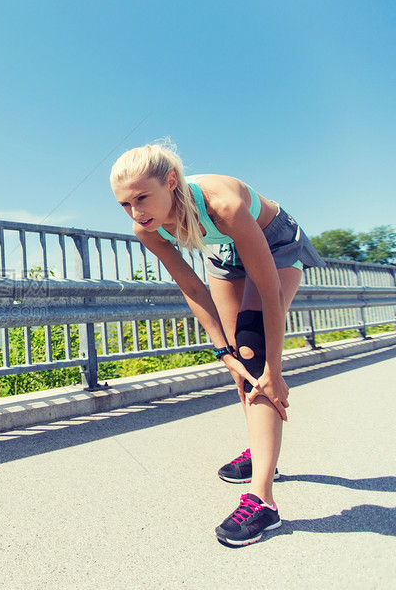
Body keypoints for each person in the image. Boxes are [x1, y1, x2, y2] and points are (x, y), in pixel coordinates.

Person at [109, 140, 324, 546]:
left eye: (142, 198)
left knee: (253, 352)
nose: (136, 213)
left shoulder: (221, 204)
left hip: (274, 243)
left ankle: (263, 501)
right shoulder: (147, 227)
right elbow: (191, 286)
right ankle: (263, 453)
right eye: (125, 204)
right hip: (223, 252)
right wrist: (222, 352)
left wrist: (275, 371)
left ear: (171, 181)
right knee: (240, 364)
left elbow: (269, 290)